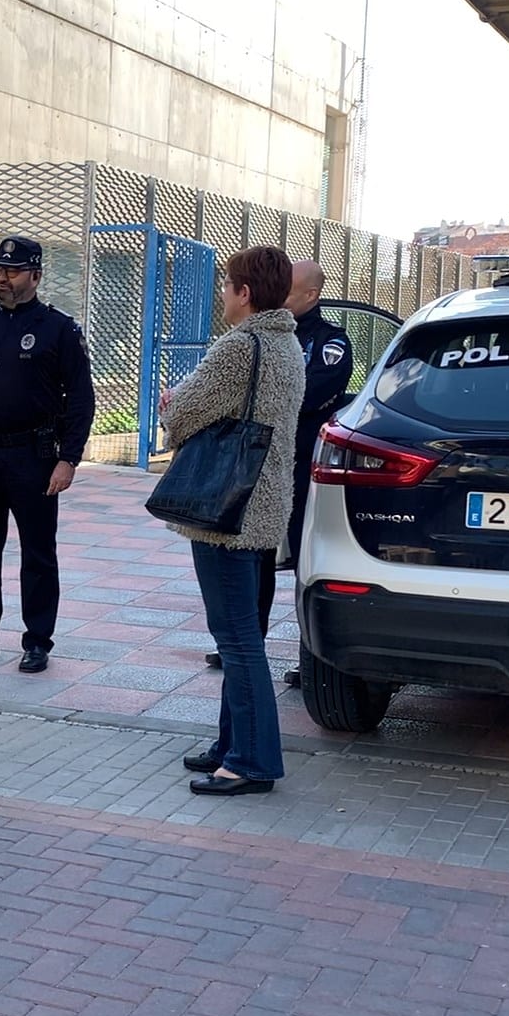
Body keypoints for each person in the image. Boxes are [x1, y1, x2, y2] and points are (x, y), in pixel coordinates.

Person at [164, 246, 305, 795]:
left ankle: (251, 760)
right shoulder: (287, 343)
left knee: (237, 639)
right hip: (263, 507)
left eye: (228, 285)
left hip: (226, 512)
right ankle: (231, 743)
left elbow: (183, 413)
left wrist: (170, 407)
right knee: (243, 631)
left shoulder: (238, 346)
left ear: (245, 292)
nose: (224, 293)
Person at [203, 258, 353, 671]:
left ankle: (315, 657)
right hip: (262, 469)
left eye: (289, 291)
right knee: (256, 560)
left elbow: (309, 394)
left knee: (309, 562)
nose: (279, 298)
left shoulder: (329, 342)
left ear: (311, 295)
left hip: (307, 470)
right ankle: (248, 642)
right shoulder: (260, 340)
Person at [0, 236, 95, 675]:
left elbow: (80, 399)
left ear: (35, 275)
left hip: (34, 457)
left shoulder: (58, 329)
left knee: (37, 553)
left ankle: (37, 640)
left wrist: (68, 458)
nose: (3, 278)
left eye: (12, 271)